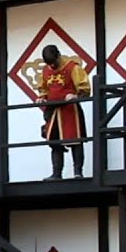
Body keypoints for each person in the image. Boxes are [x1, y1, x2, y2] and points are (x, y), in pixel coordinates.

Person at [35, 44, 90, 180]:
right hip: (52, 109)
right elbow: (44, 89)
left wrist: (75, 96)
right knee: (54, 141)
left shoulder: (73, 68)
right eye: (49, 63)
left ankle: (78, 172)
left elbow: (85, 90)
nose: (52, 66)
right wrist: (42, 97)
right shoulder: (45, 71)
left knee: (75, 140)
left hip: (69, 109)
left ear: (59, 56)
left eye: (54, 62)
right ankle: (56, 173)